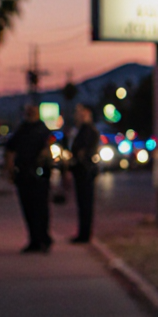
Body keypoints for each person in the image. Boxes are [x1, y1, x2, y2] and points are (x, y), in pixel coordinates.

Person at [3, 104, 56, 254]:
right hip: (24, 174)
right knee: (29, 208)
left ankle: (43, 239)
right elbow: (10, 149)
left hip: (38, 174)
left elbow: (49, 150)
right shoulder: (23, 129)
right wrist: (10, 170)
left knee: (40, 208)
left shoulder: (43, 130)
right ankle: (35, 239)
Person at [67, 103, 100, 243]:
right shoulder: (84, 130)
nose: (76, 116)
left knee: (85, 204)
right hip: (83, 171)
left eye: (79, 113)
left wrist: (77, 160)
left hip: (84, 171)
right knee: (83, 204)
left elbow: (82, 151)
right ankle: (83, 233)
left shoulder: (87, 131)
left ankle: (84, 235)